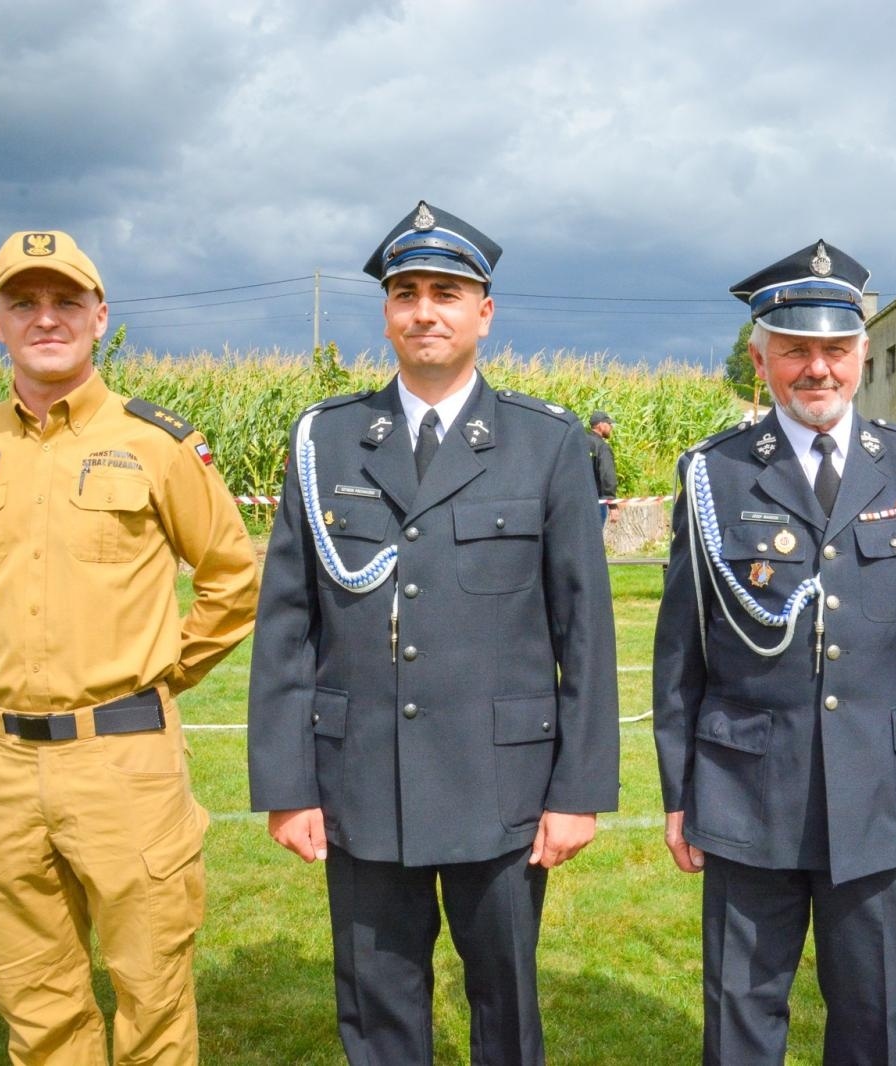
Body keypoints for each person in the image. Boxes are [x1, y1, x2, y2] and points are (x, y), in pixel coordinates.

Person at [247, 201, 619, 1066]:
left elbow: (586, 637)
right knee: (377, 1010)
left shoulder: (547, 443)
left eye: (447, 292)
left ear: (483, 312)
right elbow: (287, 624)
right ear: (385, 313)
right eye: (406, 292)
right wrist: (288, 785)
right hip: (362, 781)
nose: (425, 310)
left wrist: (577, 791)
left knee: (505, 1004)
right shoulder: (326, 442)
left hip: (504, 787)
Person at [0, 230, 259, 1063]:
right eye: (24, 302)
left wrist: (158, 673)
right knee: (34, 999)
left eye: (66, 300)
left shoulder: (157, 446)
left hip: (124, 762)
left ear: (100, 315)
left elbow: (231, 578)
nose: (47, 318)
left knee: (153, 992)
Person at [652, 239, 896, 1065]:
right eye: (795, 349)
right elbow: (680, 652)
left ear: (862, 353)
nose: (817, 369)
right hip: (743, 792)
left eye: (835, 349)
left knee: (869, 1017)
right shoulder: (711, 475)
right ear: (761, 359)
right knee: (741, 1016)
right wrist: (678, 791)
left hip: (877, 789)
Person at [586, 409, 618, 525]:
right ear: (600, 425)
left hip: (575, 500)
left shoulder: (578, 442)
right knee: (594, 539)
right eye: (609, 424)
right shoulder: (602, 447)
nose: (611, 427)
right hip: (597, 502)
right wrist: (612, 504)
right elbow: (607, 476)